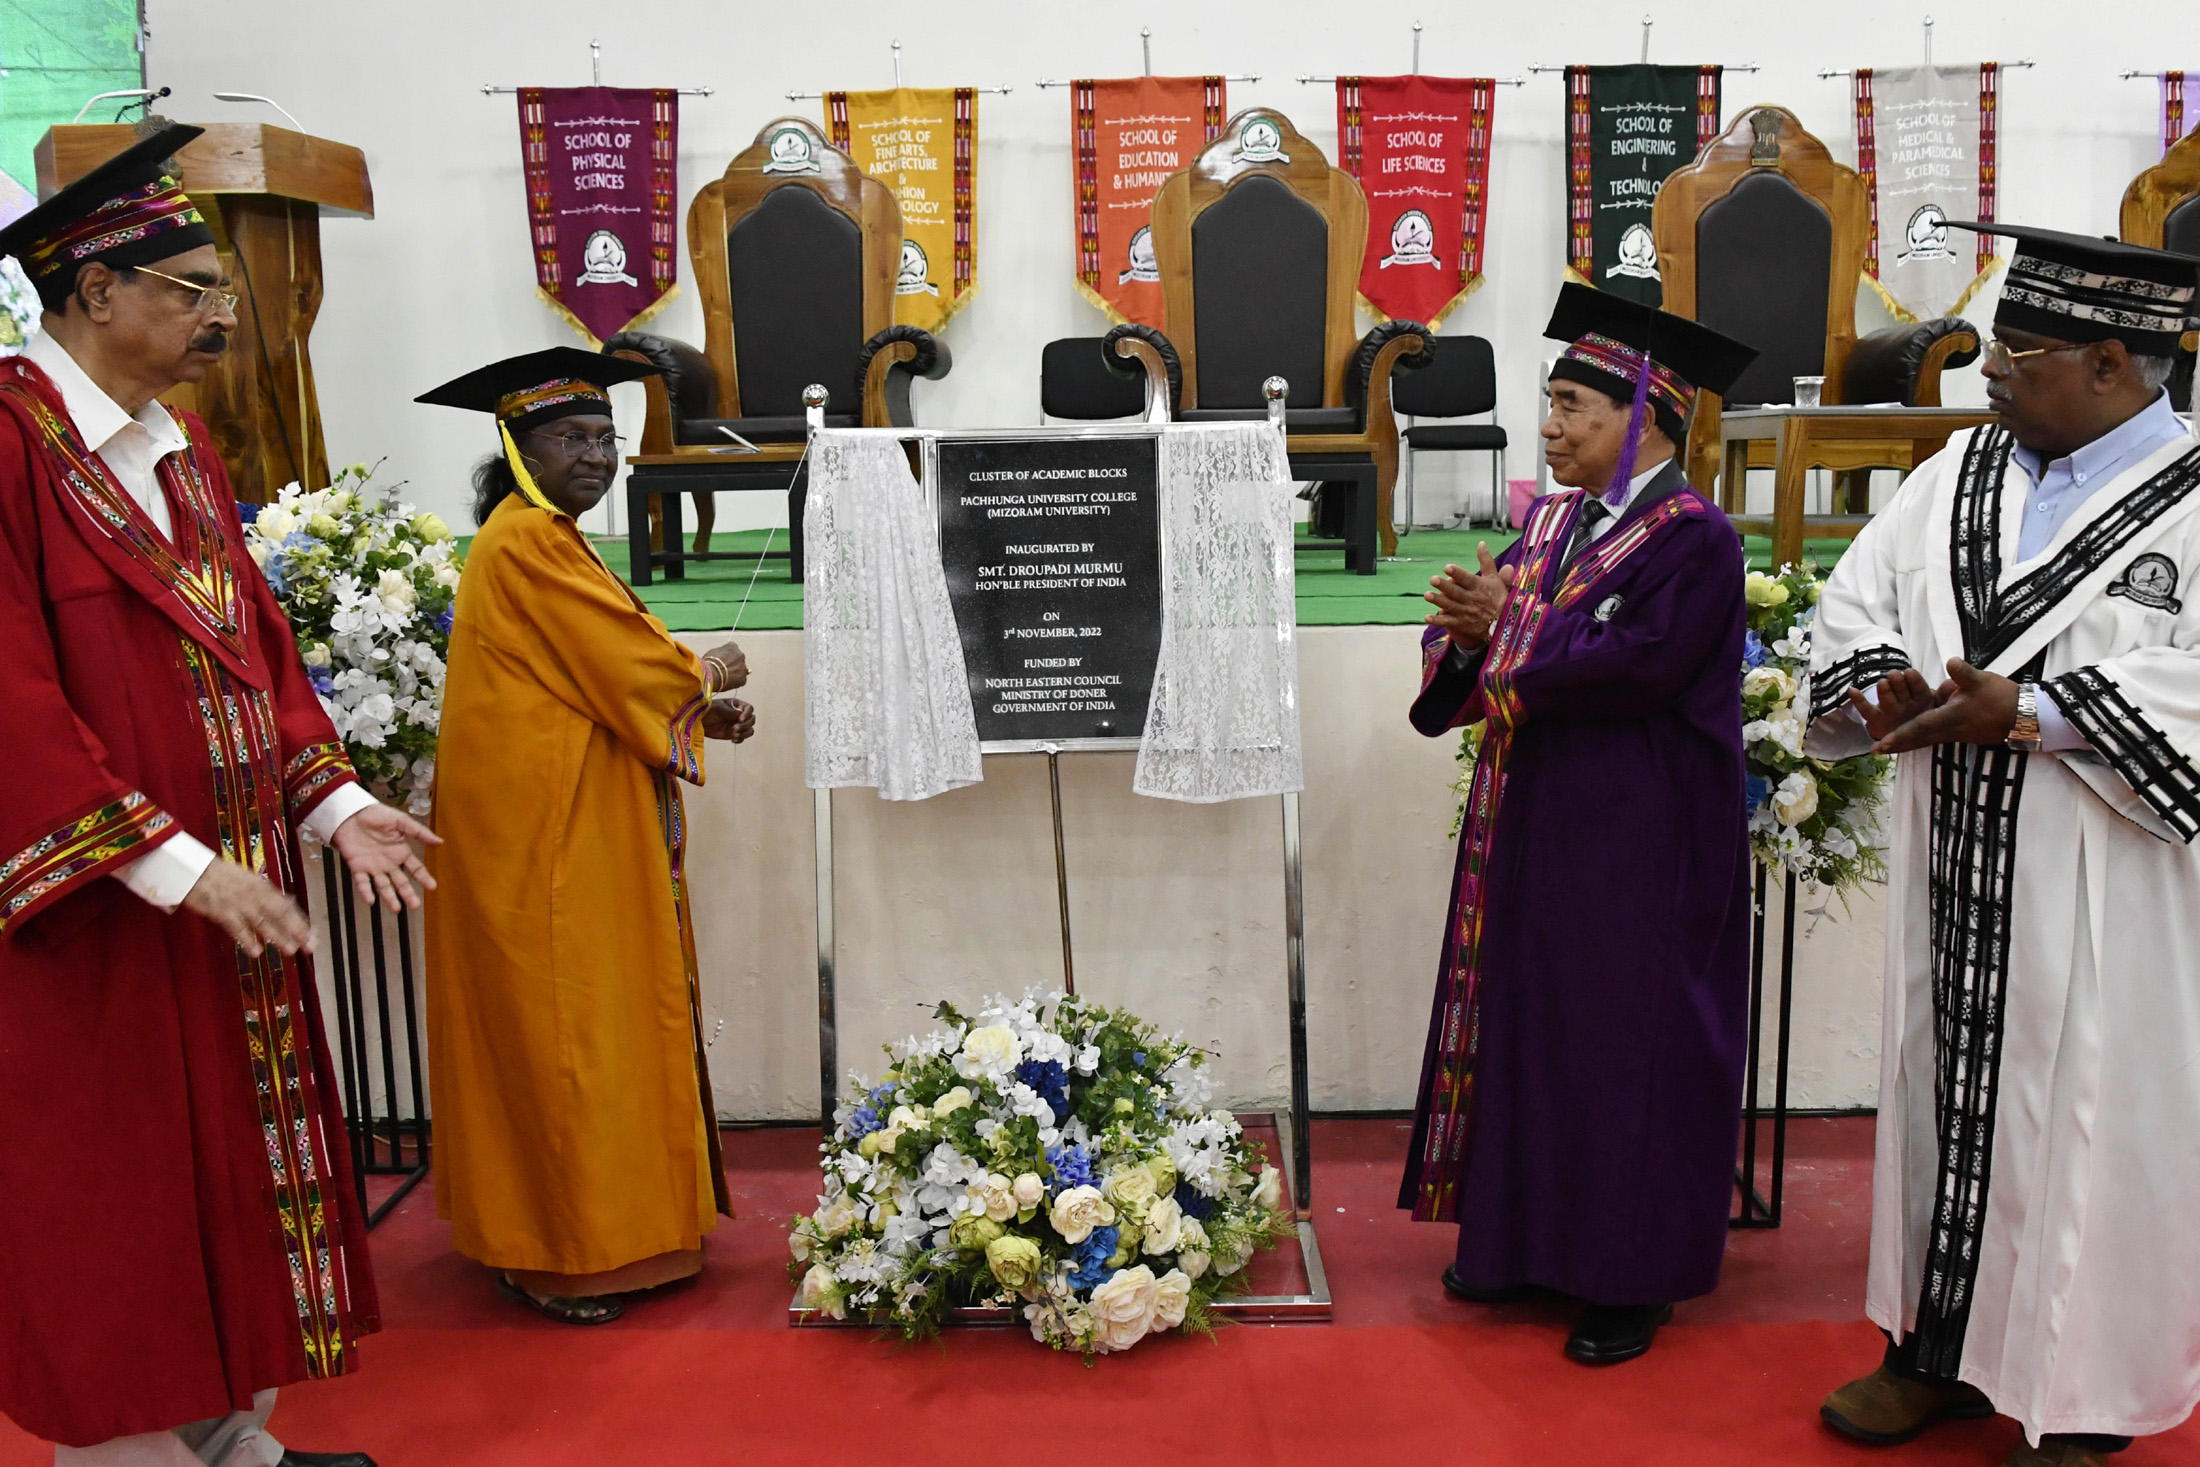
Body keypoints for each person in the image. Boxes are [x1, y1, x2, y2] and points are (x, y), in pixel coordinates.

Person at [0, 124, 435, 1467]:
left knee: (242, 1183)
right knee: (122, 1203)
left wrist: (330, 801)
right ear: (91, 291)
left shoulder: (180, 446)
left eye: (219, 289)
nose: (219, 316)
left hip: (231, 899)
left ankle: (229, 1433)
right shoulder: (8, 449)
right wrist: (176, 863)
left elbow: (256, 647)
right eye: (190, 288)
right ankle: (125, 1454)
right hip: (102, 921)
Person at [1809, 224, 2200, 1467]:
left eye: (2022, 353)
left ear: (2109, 362)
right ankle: (1936, 1352)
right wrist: (1872, 686)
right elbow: (1855, 602)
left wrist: (2039, 711)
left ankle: (2083, 1391)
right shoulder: (1955, 474)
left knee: (2099, 1117)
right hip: (1955, 864)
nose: (1990, 371)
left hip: (2109, 875)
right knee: (1945, 1098)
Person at [1400, 282, 1759, 1365]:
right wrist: (1468, 632)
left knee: (1629, 1046)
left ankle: (1629, 1275)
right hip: (1536, 819)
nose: (1549, 427)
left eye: (1572, 407)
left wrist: (1503, 624)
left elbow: (1636, 671)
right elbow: (1486, 647)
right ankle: (1519, 1243)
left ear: (1645, 414)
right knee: (1533, 1027)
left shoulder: (1692, 539)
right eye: (1549, 404)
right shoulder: (1550, 520)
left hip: (1644, 837)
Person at [418, 349, 757, 1325]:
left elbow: (590, 674)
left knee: (592, 1032)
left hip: (566, 827)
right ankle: (567, 1251)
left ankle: (606, 1233)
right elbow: (628, 662)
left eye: (607, 438)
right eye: (571, 438)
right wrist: (706, 676)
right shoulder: (526, 543)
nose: (596, 455)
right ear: (517, 448)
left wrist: (696, 714)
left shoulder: (546, 542)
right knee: (568, 1038)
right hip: (544, 847)